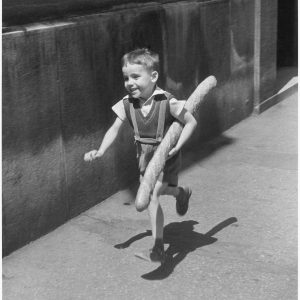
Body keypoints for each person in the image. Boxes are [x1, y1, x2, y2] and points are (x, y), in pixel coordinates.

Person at [84, 48, 197, 263]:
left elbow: (191, 122)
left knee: (152, 196)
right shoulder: (127, 103)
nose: (129, 82)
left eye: (136, 76)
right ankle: (180, 193)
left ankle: (158, 248)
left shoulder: (167, 101)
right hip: (144, 157)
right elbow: (114, 128)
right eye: (126, 77)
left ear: (153, 77)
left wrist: (177, 145)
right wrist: (100, 150)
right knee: (159, 191)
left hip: (166, 155)